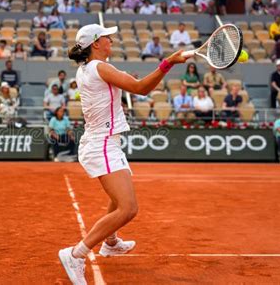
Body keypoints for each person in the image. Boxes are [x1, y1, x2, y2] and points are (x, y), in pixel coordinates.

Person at [59, 24, 186, 284]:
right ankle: (76, 254)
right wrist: (168, 63)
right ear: (96, 43)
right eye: (107, 37)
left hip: (104, 142)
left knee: (118, 200)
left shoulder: (86, 69)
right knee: (128, 208)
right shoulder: (100, 67)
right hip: (102, 144)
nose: (112, 40)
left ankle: (111, 242)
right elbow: (141, 88)